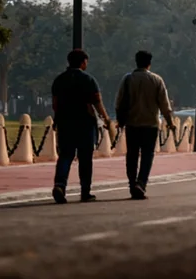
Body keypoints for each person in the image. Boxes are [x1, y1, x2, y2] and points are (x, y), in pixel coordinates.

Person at [51, 49, 110, 204]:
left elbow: (55, 104)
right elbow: (97, 103)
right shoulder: (89, 80)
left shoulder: (59, 80)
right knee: (85, 159)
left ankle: (60, 185)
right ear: (83, 62)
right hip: (85, 123)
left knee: (65, 156)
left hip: (65, 123)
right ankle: (85, 191)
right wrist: (106, 119)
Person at [115, 50, 174, 200]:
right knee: (147, 156)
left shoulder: (127, 79)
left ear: (136, 62)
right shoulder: (156, 80)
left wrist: (120, 121)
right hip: (150, 125)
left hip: (132, 124)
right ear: (149, 63)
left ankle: (132, 184)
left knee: (132, 155)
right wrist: (170, 123)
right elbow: (164, 105)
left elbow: (119, 102)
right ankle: (141, 183)